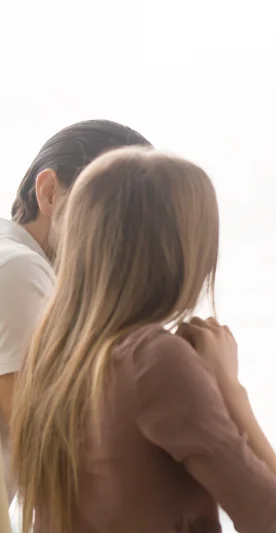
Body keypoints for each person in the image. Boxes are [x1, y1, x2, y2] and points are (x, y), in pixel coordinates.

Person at [10, 147, 276, 533]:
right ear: (183, 250)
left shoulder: (54, 347)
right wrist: (229, 385)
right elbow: (273, 519)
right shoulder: (154, 359)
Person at [0, 120, 151, 499]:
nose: (123, 239)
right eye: (110, 212)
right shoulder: (21, 271)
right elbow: (39, 446)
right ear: (49, 192)